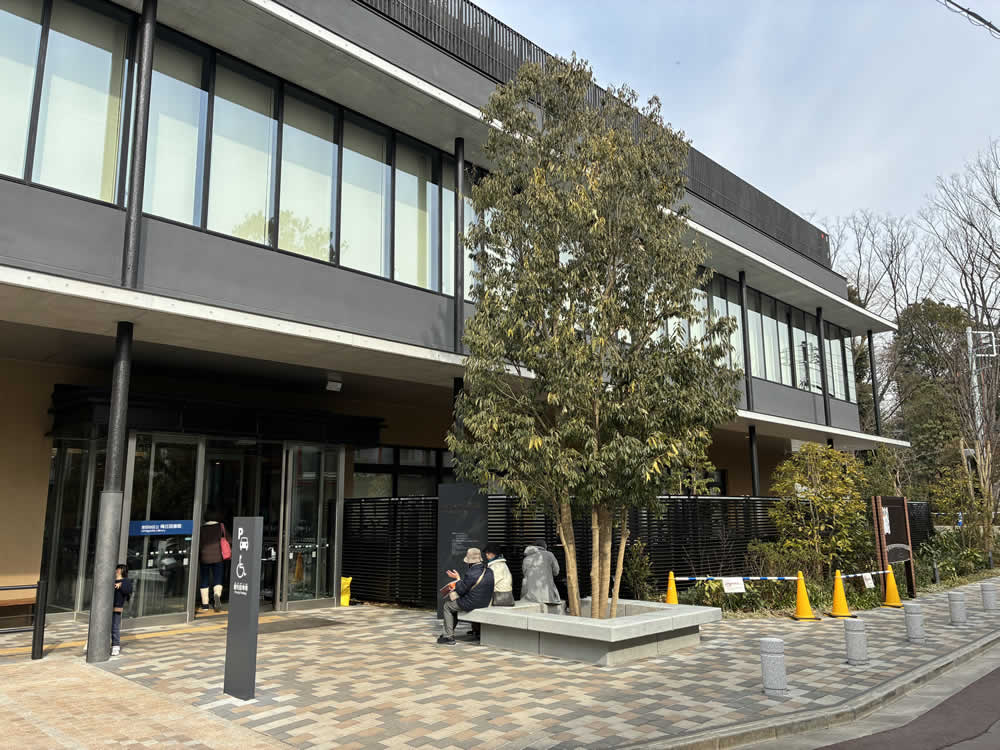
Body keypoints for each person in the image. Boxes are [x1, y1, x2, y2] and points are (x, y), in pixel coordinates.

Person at [438, 547, 494, 646]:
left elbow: (461, 590)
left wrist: (457, 579)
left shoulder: (471, 573)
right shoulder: (489, 571)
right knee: (453, 606)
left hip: (472, 602)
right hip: (485, 602)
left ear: (470, 562)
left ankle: (448, 636)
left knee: (448, 606)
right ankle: (449, 632)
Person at [198, 510, 230, 613]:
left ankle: (205, 605)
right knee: (217, 578)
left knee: (204, 579)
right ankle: (217, 595)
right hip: (218, 557)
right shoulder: (221, 527)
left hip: (204, 557)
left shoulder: (201, 528)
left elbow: (198, 543)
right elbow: (229, 540)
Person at [522, 539, 560, 605]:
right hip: (547, 596)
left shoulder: (526, 558)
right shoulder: (549, 555)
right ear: (544, 546)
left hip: (529, 596)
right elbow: (556, 571)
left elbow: (525, 573)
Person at [111, 563, 133, 657]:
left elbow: (128, 591)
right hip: (106, 607)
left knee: (115, 627)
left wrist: (121, 585)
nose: (117, 570)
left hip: (117, 607)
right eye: (117, 568)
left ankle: (115, 647)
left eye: (119, 569)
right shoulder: (111, 580)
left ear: (122, 570)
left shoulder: (126, 581)